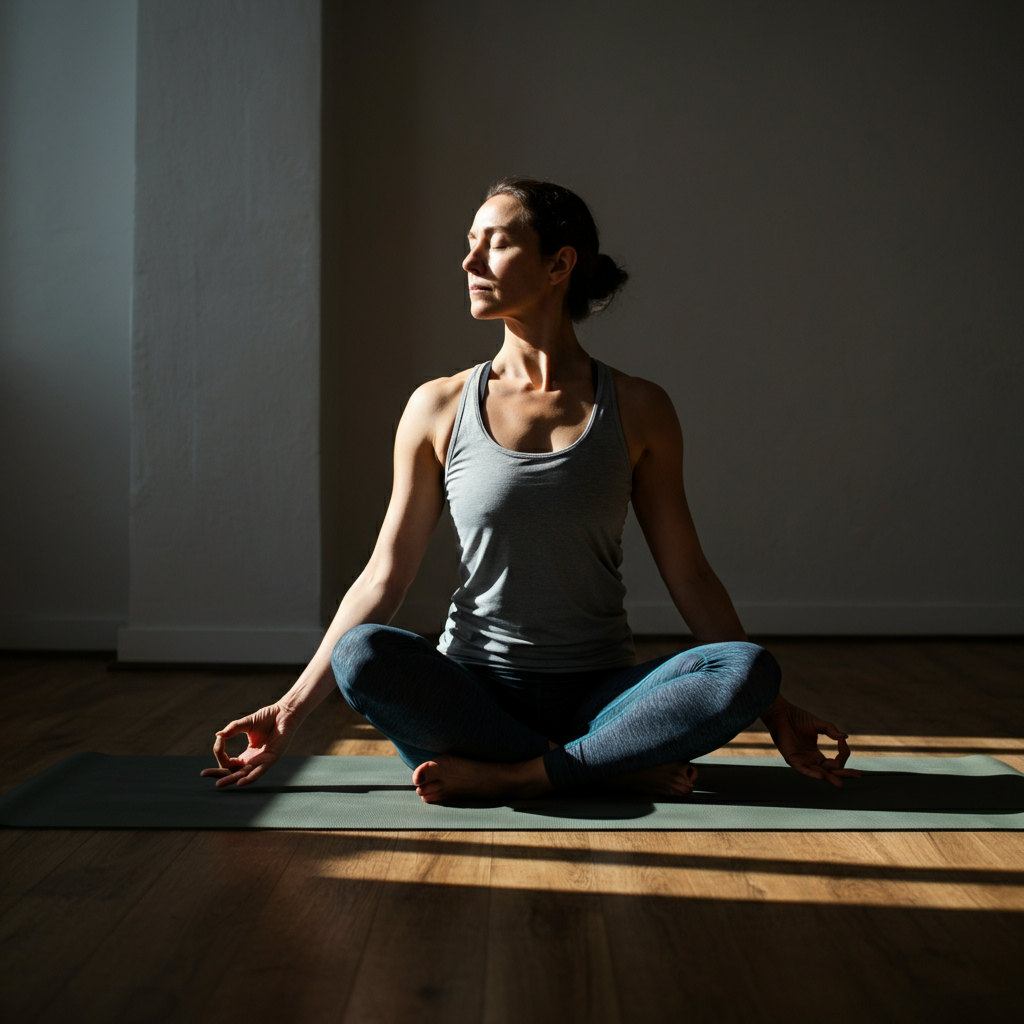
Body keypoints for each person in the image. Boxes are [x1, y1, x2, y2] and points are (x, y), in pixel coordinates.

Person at [202, 177, 860, 803]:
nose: (469, 261)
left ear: (558, 265)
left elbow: (689, 577)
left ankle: (521, 776)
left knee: (745, 668)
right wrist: (288, 712)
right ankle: (598, 766)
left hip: (600, 693)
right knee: (362, 654)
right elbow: (384, 578)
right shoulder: (437, 406)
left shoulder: (639, 407)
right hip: (473, 697)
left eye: (496, 241)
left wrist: (777, 714)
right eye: (469, 241)